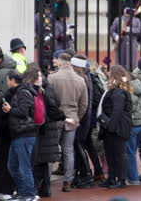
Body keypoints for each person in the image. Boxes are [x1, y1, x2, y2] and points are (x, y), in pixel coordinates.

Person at [47, 53, 88, 192]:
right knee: (68, 151)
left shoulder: (52, 77)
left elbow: (48, 100)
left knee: (51, 150)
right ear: (70, 62)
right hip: (72, 118)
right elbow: (84, 104)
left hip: (55, 118)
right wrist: (77, 117)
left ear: (60, 62)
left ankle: (46, 182)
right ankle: (67, 182)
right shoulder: (80, 80)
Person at [28, 64, 66, 198]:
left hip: (41, 129)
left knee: (37, 161)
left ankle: (35, 188)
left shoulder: (36, 92)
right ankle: (46, 188)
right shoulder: (50, 90)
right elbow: (57, 105)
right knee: (45, 162)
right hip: (50, 128)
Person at [2, 70, 39, 201]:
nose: (7, 82)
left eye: (7, 79)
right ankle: (23, 192)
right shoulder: (17, 93)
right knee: (12, 166)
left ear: (12, 80)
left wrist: (10, 109)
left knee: (24, 166)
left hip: (25, 134)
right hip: (18, 134)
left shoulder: (23, 93)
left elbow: (24, 112)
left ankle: (29, 194)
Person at [99, 65, 133, 189]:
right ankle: (112, 178)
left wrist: (110, 127)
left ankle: (121, 179)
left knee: (119, 154)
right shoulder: (117, 89)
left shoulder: (118, 91)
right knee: (111, 154)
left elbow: (117, 111)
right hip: (114, 127)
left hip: (117, 128)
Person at [70, 56, 94, 189]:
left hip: (82, 118)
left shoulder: (82, 79)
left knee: (78, 146)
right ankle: (83, 174)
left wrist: (78, 117)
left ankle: (86, 174)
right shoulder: (86, 78)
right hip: (85, 117)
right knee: (78, 146)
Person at [110, 0, 141, 69]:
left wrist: (130, 30)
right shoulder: (118, 20)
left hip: (132, 44)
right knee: (120, 63)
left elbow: (140, 31)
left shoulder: (136, 20)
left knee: (131, 63)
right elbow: (112, 30)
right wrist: (116, 36)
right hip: (121, 43)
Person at [126, 70, 141, 185]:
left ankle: (133, 178)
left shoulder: (131, 89)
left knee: (130, 152)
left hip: (133, 124)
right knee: (133, 151)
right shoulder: (139, 85)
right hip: (140, 123)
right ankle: (133, 177)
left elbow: (130, 106)